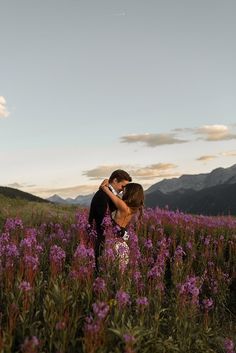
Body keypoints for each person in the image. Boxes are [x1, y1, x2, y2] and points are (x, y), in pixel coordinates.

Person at [88, 169, 132, 273]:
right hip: (100, 241)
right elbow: (103, 222)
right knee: (101, 272)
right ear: (115, 180)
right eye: (123, 186)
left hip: (108, 241)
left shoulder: (108, 194)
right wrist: (122, 232)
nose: (123, 190)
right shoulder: (102, 196)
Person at [99, 179, 144, 270]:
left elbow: (108, 192)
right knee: (120, 273)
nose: (122, 192)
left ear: (130, 193)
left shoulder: (123, 207)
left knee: (109, 270)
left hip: (113, 243)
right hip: (122, 244)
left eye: (124, 191)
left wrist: (105, 186)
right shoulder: (133, 209)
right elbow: (116, 196)